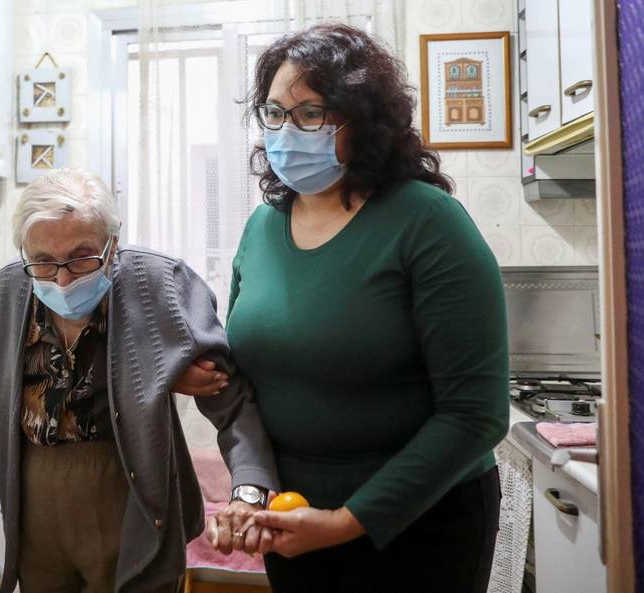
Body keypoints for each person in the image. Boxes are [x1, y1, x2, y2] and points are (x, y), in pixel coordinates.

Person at [195, 23, 508, 592]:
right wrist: (202, 375)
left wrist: (345, 522)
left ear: (364, 121)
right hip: (293, 520)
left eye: (310, 114)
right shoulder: (263, 227)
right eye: (273, 114)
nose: (287, 132)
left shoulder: (427, 222)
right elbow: (250, 370)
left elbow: (476, 415)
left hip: (419, 524)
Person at [0, 169, 279, 593]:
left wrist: (249, 486)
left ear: (113, 246)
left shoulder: (161, 286)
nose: (62, 278)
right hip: (36, 507)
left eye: (82, 257)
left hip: (131, 492)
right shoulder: (1, 295)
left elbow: (231, 402)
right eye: (42, 260)